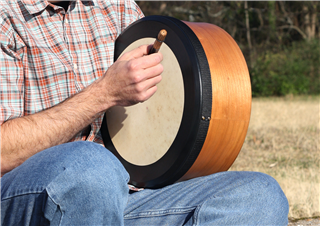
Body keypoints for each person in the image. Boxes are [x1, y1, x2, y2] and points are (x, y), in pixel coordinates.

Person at [0, 0, 289, 225]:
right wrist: (103, 94)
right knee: (90, 168)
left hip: (122, 199)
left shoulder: (117, 6)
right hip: (25, 201)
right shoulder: (6, 15)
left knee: (258, 195)